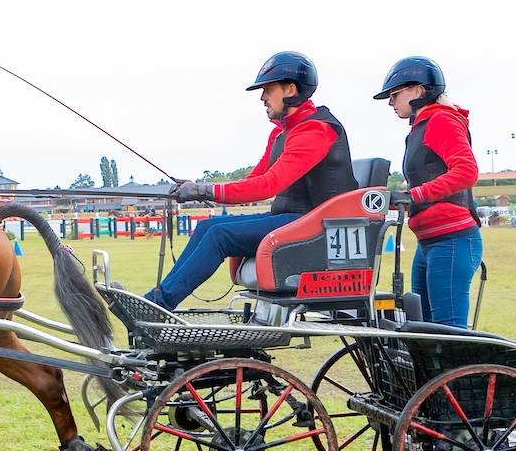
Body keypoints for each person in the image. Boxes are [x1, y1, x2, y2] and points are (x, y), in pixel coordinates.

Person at [143, 51, 359, 310]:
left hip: (316, 227)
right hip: (294, 220)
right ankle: (158, 299)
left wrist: (203, 189)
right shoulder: (281, 134)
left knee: (219, 235)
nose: (262, 97)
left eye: (268, 90)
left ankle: (159, 304)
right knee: (207, 227)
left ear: (290, 89)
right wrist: (199, 190)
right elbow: (254, 180)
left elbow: (269, 185)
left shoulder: (315, 130)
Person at [374, 56, 481, 328]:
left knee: (447, 331)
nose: (390, 102)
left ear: (418, 91)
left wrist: (416, 195)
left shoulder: (441, 121)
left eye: (395, 94)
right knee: (425, 328)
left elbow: (466, 171)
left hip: (451, 240)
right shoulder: (421, 127)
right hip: (430, 241)